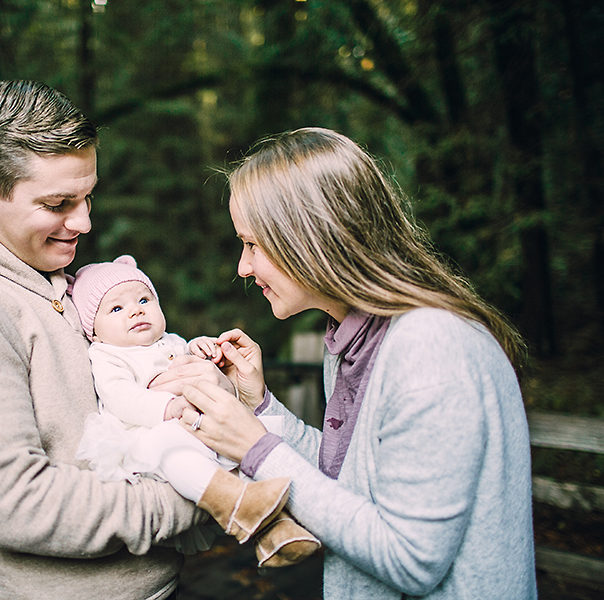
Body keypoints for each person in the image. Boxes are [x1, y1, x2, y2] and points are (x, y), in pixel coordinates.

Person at [0, 80, 229, 600]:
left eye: (87, 197)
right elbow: (18, 505)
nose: (83, 222)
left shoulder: (71, 288)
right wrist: (208, 494)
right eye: (57, 204)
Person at [171, 127, 537, 599]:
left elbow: (412, 559)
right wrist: (260, 408)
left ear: (311, 236)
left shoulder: (431, 347)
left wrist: (257, 449)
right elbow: (352, 481)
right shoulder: (354, 339)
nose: (243, 267)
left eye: (253, 244)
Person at [69, 255, 320, 567]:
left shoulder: (168, 340)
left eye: (144, 299)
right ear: (94, 330)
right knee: (177, 457)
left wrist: (200, 347)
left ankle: (275, 528)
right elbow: (120, 397)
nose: (136, 310)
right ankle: (236, 506)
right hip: (148, 436)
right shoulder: (107, 354)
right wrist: (166, 406)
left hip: (198, 427)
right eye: (116, 309)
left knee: (240, 450)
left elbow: (184, 351)